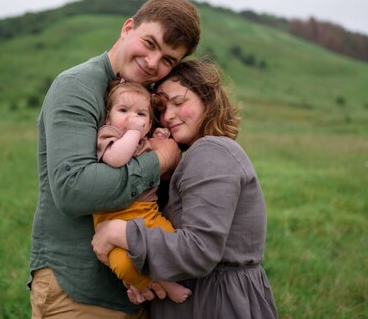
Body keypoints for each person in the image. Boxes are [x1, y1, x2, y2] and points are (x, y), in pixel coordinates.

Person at [28, 0, 201, 318]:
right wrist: (158, 160)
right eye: (149, 43)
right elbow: (73, 190)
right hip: (78, 292)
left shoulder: (149, 96)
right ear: (128, 28)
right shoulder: (77, 86)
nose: (152, 62)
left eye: (167, 60)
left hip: (138, 286)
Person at [92, 59, 279, 319]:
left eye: (179, 103)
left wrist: (118, 231)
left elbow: (199, 249)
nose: (168, 116)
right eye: (161, 107)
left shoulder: (211, 150)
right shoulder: (195, 155)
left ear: (208, 99)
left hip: (215, 304)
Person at [94, 79, 192, 304]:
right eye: (123, 110)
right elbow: (117, 159)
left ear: (148, 123)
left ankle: (164, 277)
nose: (131, 118)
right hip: (113, 217)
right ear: (109, 117)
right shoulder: (108, 135)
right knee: (123, 264)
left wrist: (157, 138)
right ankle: (156, 284)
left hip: (147, 212)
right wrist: (133, 134)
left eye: (140, 114)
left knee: (168, 239)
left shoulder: (144, 138)